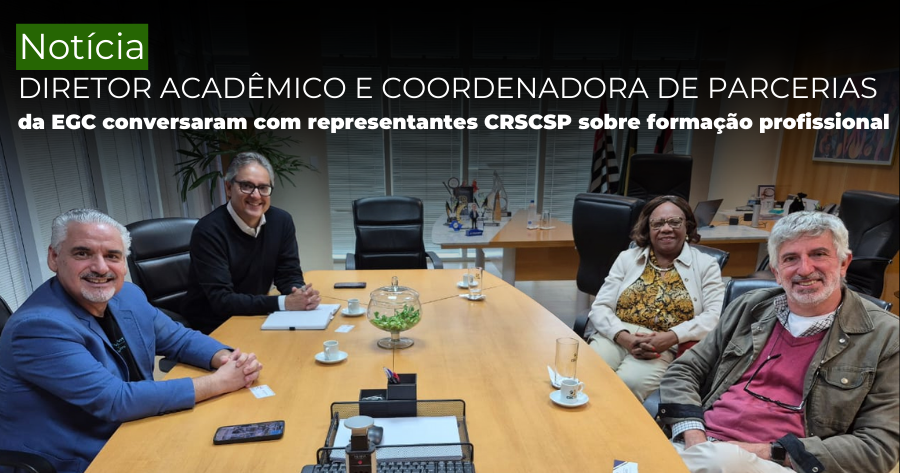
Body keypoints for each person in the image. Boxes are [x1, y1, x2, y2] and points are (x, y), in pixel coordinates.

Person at [0, 209, 263, 473]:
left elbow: (178, 338)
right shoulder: (38, 327)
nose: (101, 268)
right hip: (81, 457)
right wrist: (219, 382)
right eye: (83, 253)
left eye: (112, 256)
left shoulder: (127, 295)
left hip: (136, 428)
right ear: (54, 258)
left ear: (124, 263)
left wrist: (226, 359)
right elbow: (114, 400)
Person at [658, 211, 899, 473]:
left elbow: (877, 447)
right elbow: (684, 370)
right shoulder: (748, 308)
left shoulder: (887, 336)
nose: (805, 269)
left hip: (784, 463)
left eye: (818, 254)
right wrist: (695, 437)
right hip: (701, 448)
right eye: (790, 258)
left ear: (843, 263)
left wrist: (766, 451)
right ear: (776, 271)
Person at [587, 195, 725, 402]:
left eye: (674, 222)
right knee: (588, 372)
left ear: (687, 226)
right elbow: (600, 307)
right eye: (658, 224)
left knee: (629, 384)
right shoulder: (627, 258)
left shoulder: (706, 265)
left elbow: (714, 316)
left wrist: (671, 337)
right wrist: (624, 337)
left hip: (664, 344)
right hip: (617, 334)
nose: (666, 229)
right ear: (648, 229)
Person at [182, 152, 321, 334]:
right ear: (229, 188)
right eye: (247, 186)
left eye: (263, 188)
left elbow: (288, 273)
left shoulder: (281, 221)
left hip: (256, 316)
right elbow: (222, 301)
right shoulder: (208, 230)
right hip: (214, 326)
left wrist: (300, 293)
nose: (256, 195)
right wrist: (284, 303)